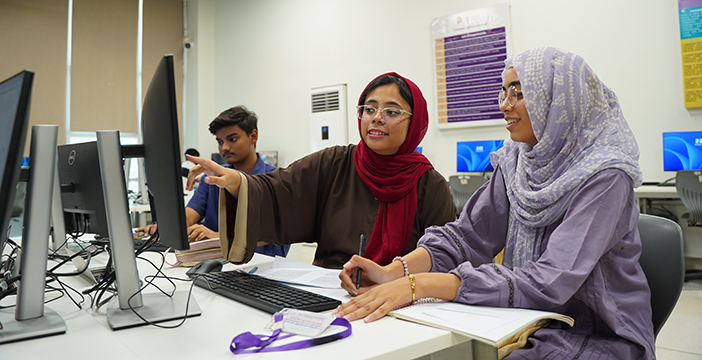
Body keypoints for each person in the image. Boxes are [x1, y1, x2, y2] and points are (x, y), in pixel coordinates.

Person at [334, 48, 655, 359]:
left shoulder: (606, 174)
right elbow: (466, 236)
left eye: (518, 93)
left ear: (557, 100)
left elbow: (550, 281)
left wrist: (416, 286)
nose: (505, 105)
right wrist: (395, 272)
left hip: (596, 330)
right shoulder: (516, 161)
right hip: (530, 321)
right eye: (504, 92)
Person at [185, 72, 456, 269]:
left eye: (392, 112)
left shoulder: (429, 185)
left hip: (398, 302)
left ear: (415, 121)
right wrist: (236, 180)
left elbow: (444, 256)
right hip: (330, 292)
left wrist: (394, 279)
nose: (376, 117)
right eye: (369, 109)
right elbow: (281, 189)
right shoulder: (335, 163)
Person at [138, 106, 289, 257]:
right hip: (216, 264)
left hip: (264, 266)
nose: (225, 147)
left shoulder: (275, 181)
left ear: (253, 136)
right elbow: (190, 215)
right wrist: (166, 228)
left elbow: (275, 232)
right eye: (220, 141)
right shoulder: (211, 179)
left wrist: (219, 237)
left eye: (232, 139)